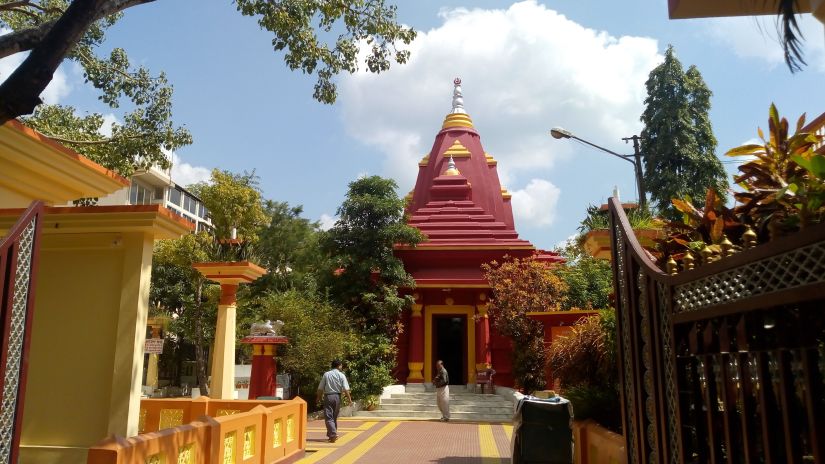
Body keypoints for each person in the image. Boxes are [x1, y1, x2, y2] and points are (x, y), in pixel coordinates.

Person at [316, 359, 352, 442]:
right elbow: (346, 389)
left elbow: (320, 388)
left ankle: (333, 434)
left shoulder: (326, 374)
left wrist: (318, 397)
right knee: (334, 417)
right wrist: (349, 399)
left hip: (328, 397)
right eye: (341, 365)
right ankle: (331, 435)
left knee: (329, 417)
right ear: (339, 366)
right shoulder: (341, 375)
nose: (342, 366)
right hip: (337, 397)